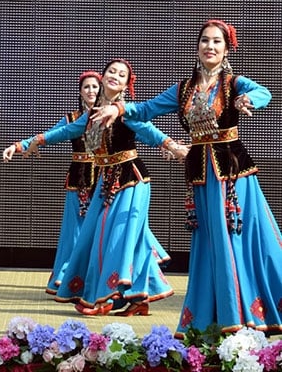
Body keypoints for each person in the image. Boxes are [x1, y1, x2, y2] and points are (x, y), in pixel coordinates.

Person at [92, 19, 282, 336]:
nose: (210, 46)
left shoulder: (234, 84)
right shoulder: (183, 89)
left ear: (226, 49)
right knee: (209, 240)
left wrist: (250, 101)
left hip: (231, 174)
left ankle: (243, 312)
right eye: (205, 40)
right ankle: (213, 316)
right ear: (197, 47)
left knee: (235, 237)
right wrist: (119, 109)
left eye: (217, 42)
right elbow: (147, 109)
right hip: (200, 173)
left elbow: (264, 92)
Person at [22, 59, 186, 316]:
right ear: (103, 76)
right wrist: (28, 144)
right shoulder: (91, 114)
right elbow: (64, 132)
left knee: (114, 239)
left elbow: (148, 130)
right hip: (106, 181)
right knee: (119, 238)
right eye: (112, 71)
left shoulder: (126, 111)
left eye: (122, 75)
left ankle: (105, 298)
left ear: (126, 85)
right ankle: (139, 297)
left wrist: (173, 147)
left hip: (131, 180)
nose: (115, 77)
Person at [2, 71, 102, 295]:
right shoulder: (72, 119)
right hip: (79, 180)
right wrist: (19, 146)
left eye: (95, 87)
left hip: (105, 179)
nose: (91, 91)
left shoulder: (110, 116)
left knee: (102, 230)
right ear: (80, 92)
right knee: (74, 232)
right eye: (86, 87)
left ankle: (97, 280)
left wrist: (167, 145)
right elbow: (51, 135)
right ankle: (68, 278)